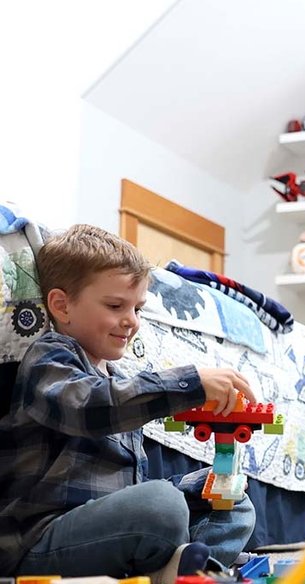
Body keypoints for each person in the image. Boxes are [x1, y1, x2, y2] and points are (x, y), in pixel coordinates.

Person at [0, 224, 258, 580]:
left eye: (138, 308)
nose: (131, 322)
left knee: (233, 501)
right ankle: (175, 570)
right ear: (61, 305)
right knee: (158, 506)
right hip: (40, 541)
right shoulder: (50, 357)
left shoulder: (119, 379)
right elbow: (88, 408)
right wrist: (190, 382)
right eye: (115, 305)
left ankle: (182, 570)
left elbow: (129, 487)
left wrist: (192, 487)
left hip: (108, 532)